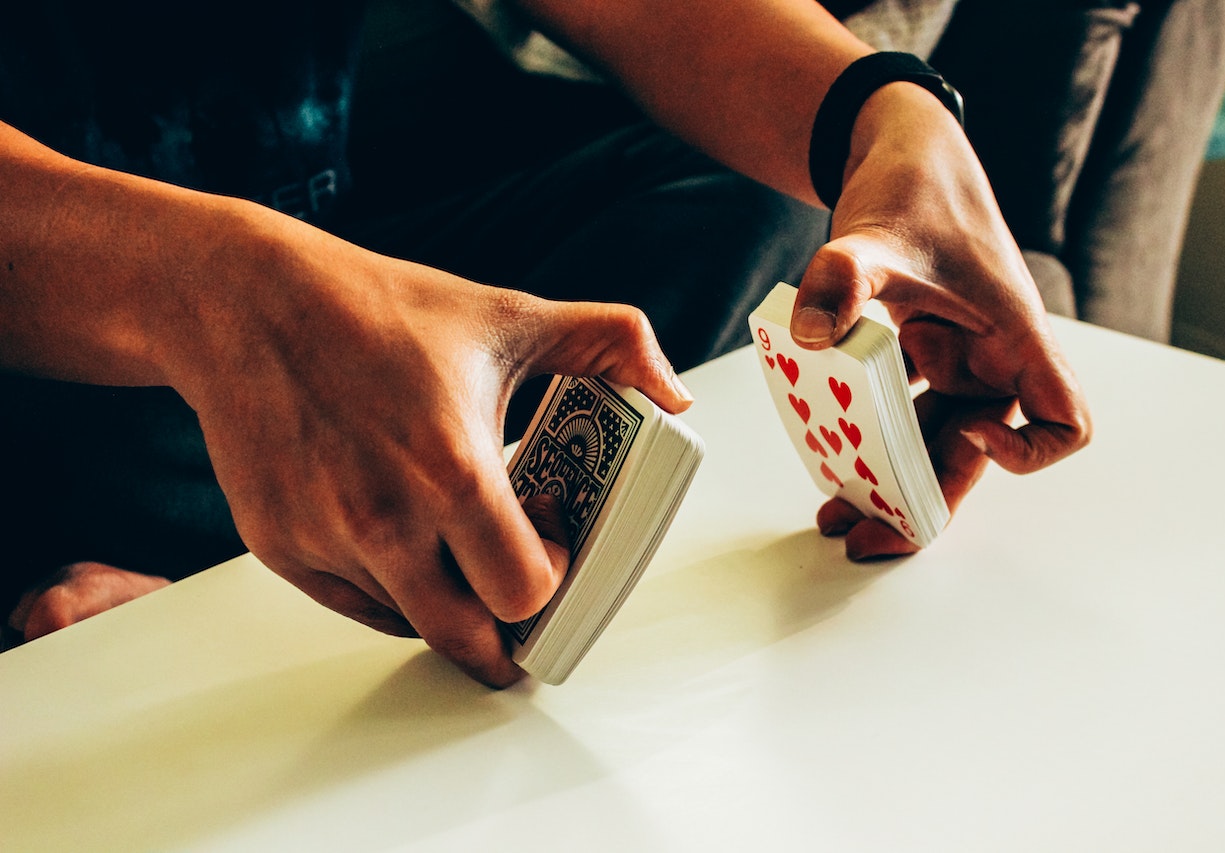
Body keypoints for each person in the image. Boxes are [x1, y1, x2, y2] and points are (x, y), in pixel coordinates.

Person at [0, 0, 1090, 685]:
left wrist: (886, 116)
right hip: (45, 373)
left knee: (755, 199)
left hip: (314, 272)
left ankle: (403, 523)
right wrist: (226, 294)